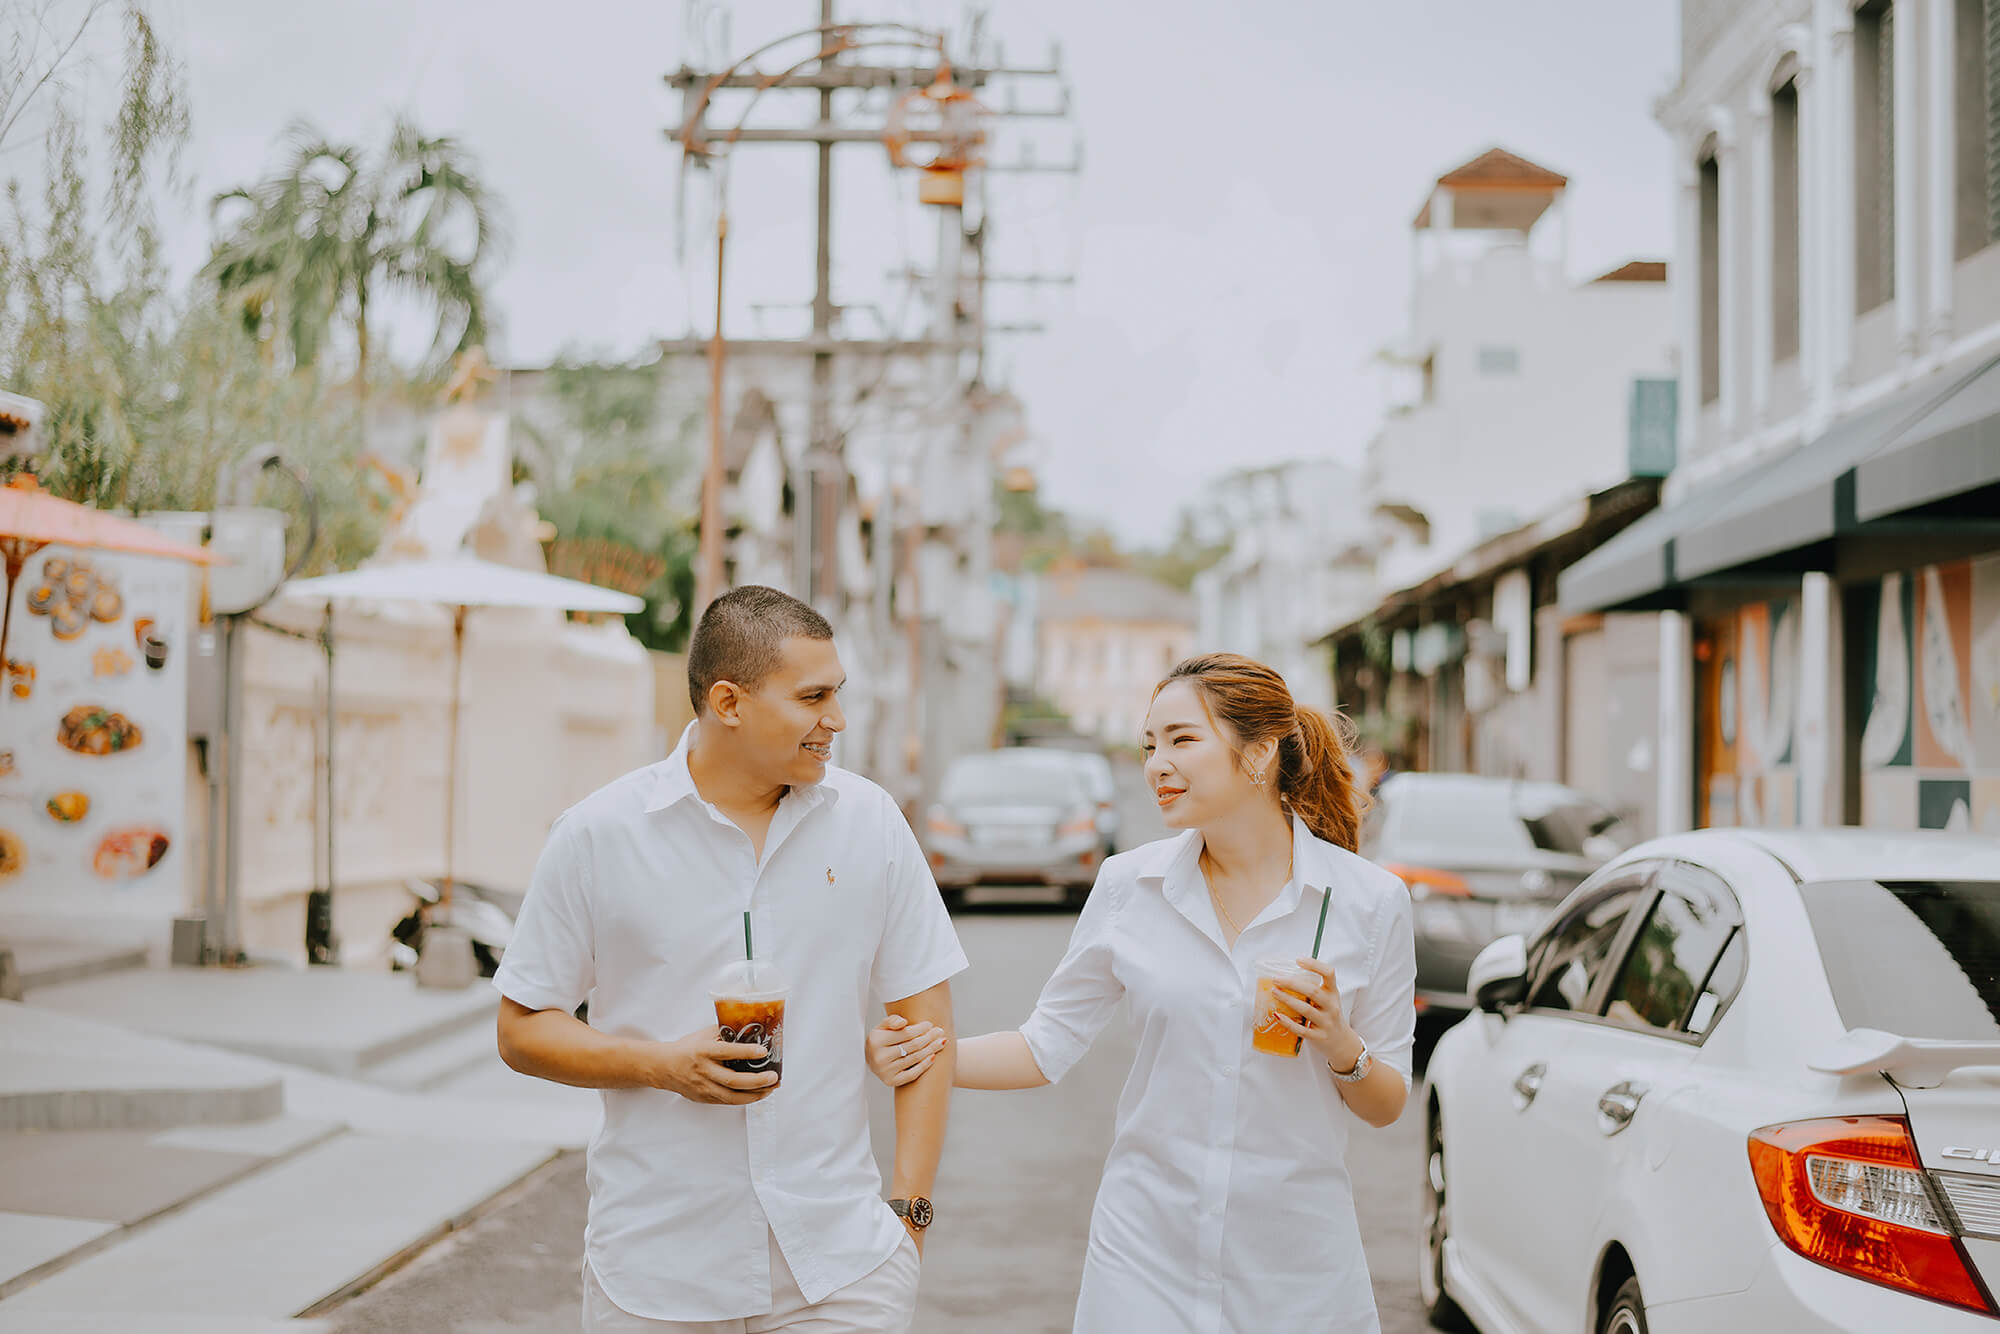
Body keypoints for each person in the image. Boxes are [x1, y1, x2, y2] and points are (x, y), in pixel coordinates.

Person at [869, 653, 1416, 1334]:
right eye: (1150, 745)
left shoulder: (1369, 903)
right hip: (1144, 1257)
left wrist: (1339, 1041)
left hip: (1296, 1267)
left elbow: (1387, 1102)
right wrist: (926, 1054)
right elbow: (1043, 1048)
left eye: (1183, 740)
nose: (1157, 764)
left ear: (1259, 753)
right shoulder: (1130, 887)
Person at [495, 585, 965, 1333]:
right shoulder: (597, 835)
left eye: (837, 695)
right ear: (728, 701)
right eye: (813, 697)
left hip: (842, 1272)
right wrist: (659, 1066)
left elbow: (928, 1030)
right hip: (655, 1272)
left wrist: (908, 1219)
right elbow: (521, 1030)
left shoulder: (871, 824)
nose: (836, 720)